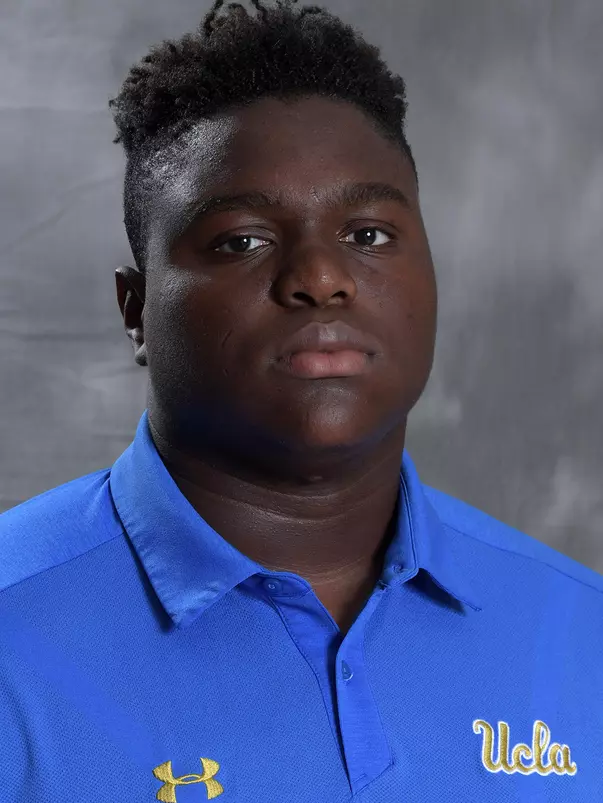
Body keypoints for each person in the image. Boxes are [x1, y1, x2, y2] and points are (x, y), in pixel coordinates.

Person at [1, 1, 601, 800]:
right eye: (241, 240)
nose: (320, 276)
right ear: (135, 308)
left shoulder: (578, 630)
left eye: (369, 235)